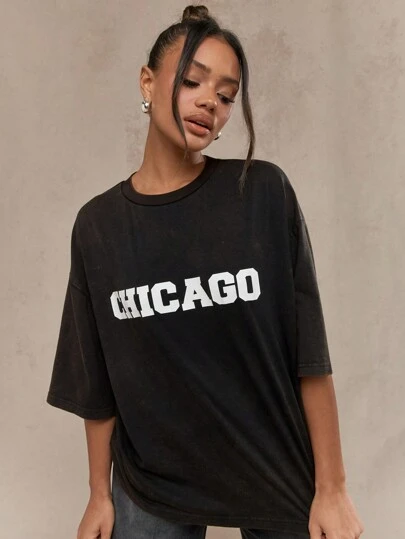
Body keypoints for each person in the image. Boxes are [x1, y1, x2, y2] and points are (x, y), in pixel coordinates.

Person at [46, 4, 365, 539]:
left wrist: (332, 488)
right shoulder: (98, 225)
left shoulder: (262, 193)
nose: (209, 103)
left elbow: (309, 355)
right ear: (148, 82)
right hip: (153, 484)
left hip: (272, 467)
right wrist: (99, 493)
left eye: (226, 95)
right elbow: (95, 378)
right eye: (192, 81)